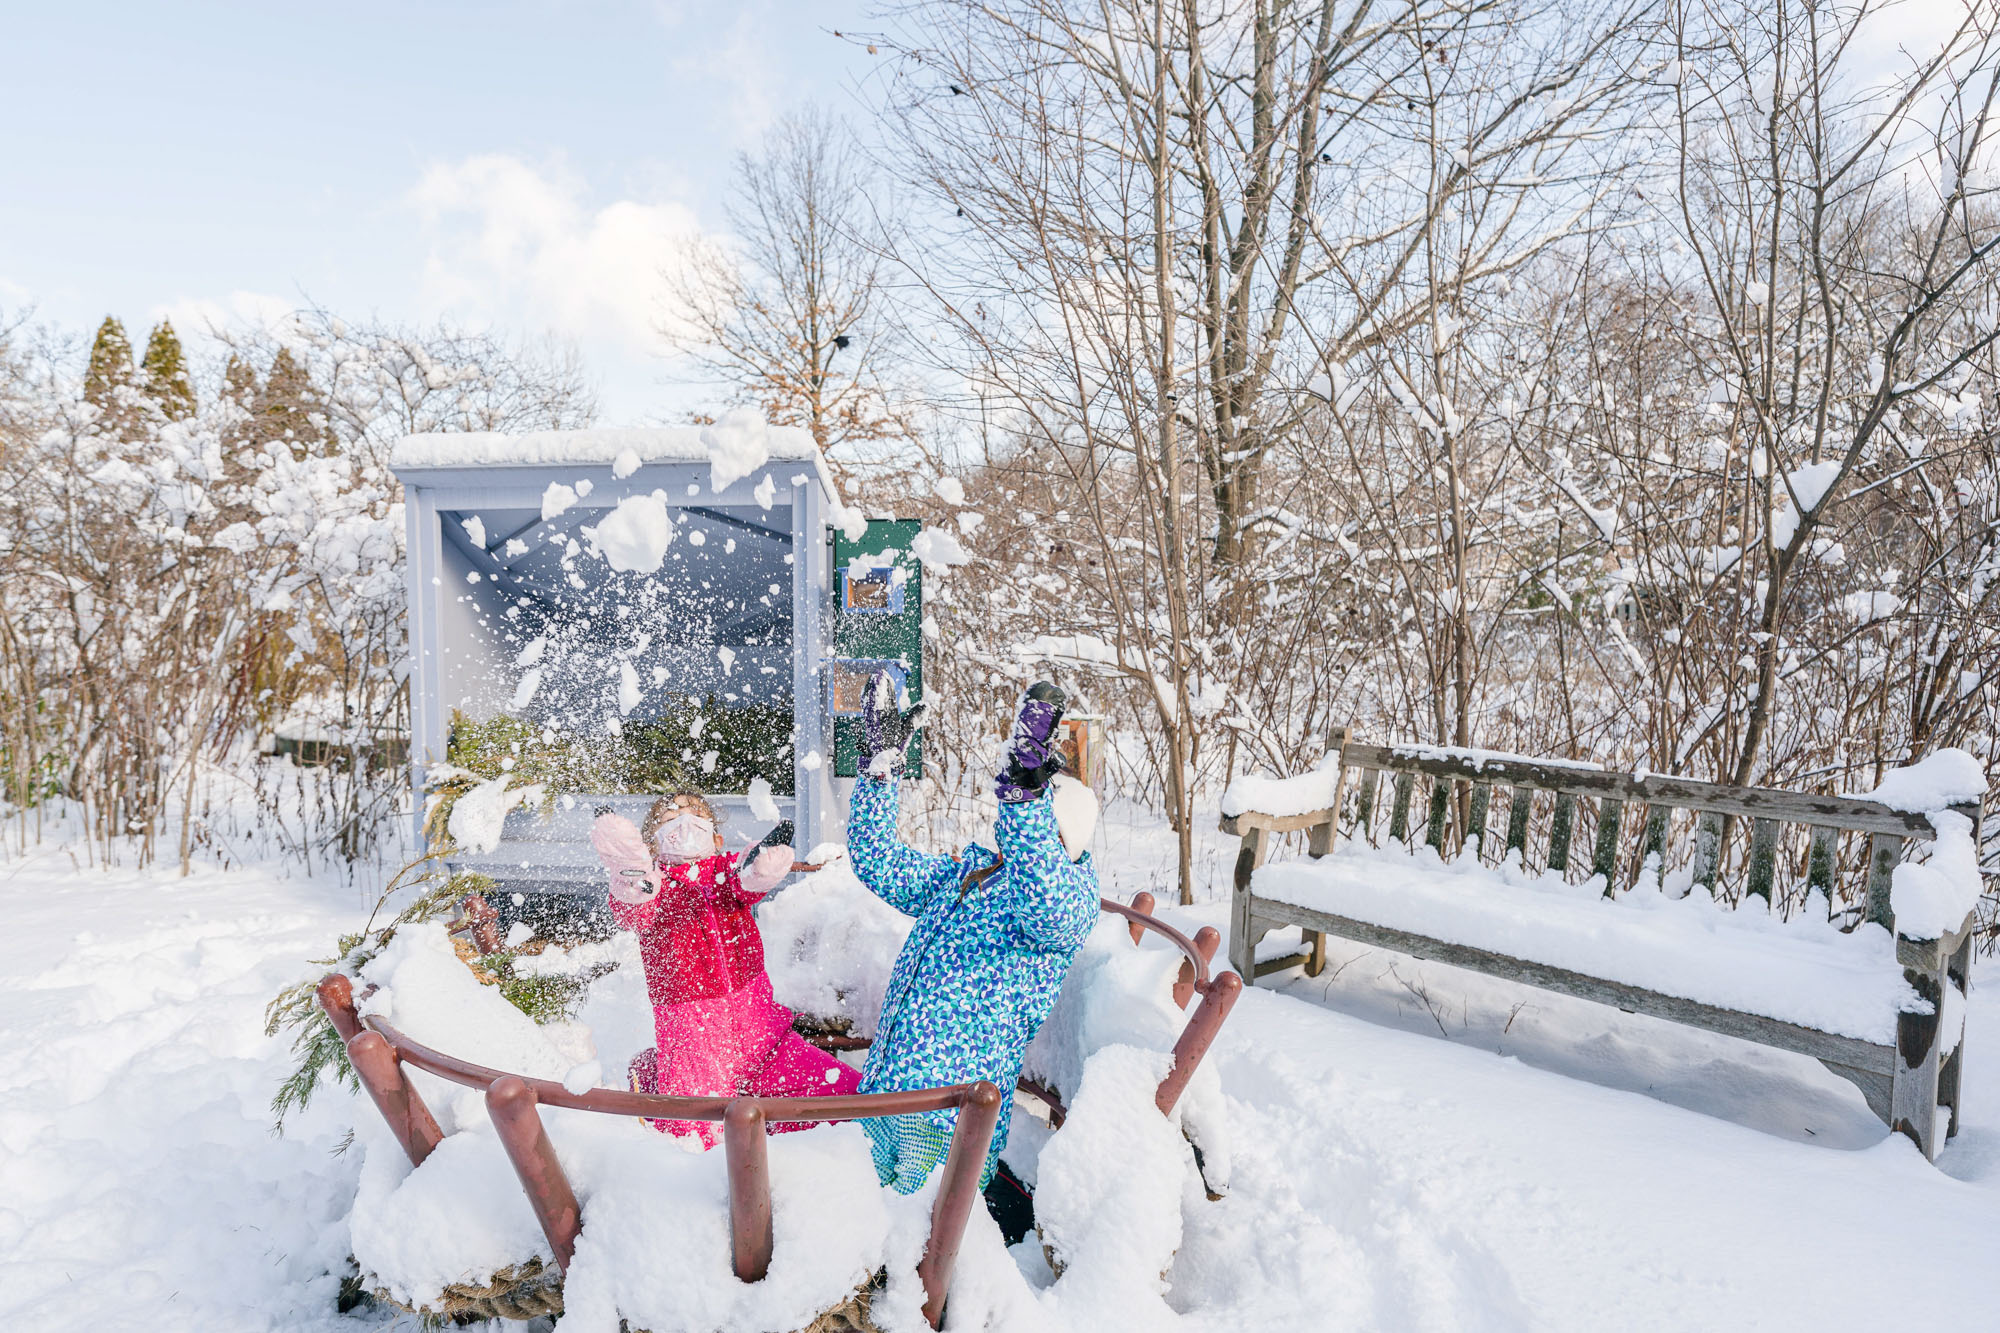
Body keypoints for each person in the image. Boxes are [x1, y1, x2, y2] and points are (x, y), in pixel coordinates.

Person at [847, 672, 1101, 1209]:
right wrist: (879, 770)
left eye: (1036, 823)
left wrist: (1025, 796)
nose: (1018, 834)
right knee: (858, 1222)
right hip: (886, 1095)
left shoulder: (1062, 906)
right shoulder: (969, 876)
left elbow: (1042, 882)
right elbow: (878, 863)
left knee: (913, 1240)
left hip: (948, 1120)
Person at [590, 790, 862, 1145]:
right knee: (695, 1141)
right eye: (670, 818)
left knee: (849, 1098)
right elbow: (633, 910)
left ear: (716, 838)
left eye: (695, 813)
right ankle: (656, 1078)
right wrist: (632, 875)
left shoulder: (726, 872)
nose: (684, 820)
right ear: (652, 845)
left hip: (764, 1037)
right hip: (695, 1044)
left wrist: (759, 868)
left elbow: (745, 881)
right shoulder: (655, 887)